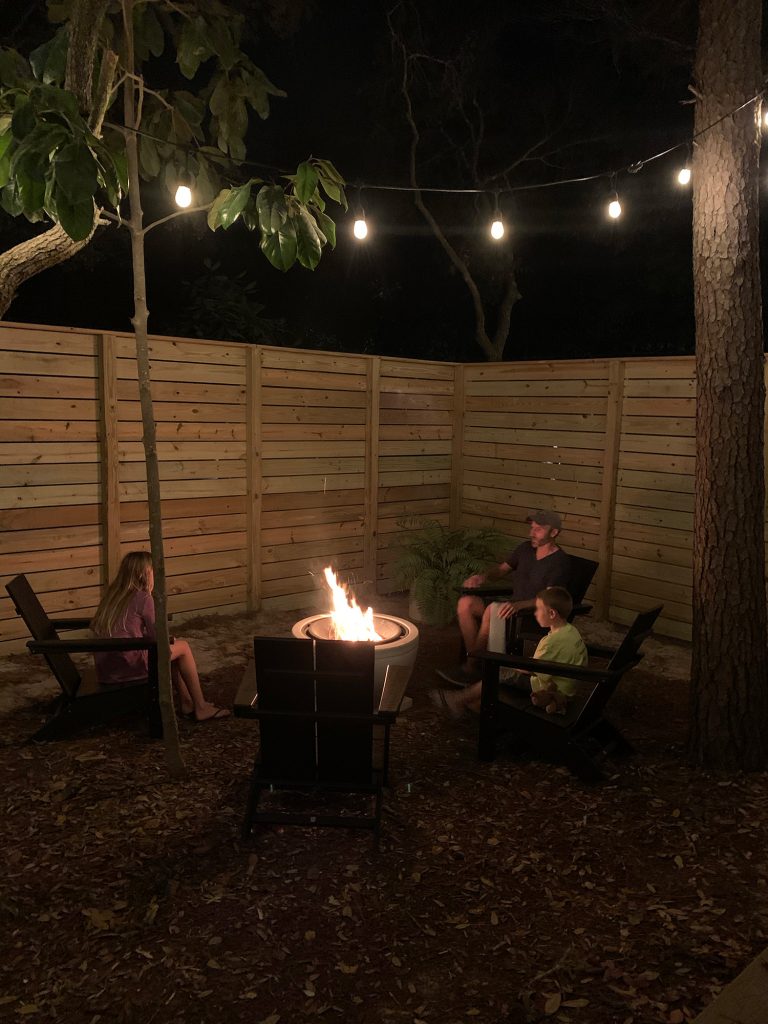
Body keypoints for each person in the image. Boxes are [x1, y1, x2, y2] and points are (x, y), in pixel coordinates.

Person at [90, 551, 230, 722]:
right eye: (153, 570)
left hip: (108, 668)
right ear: (143, 573)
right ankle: (201, 707)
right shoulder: (142, 598)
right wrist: (168, 639)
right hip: (130, 666)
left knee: (174, 649)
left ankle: (186, 702)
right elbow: (158, 638)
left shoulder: (112, 596)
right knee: (183, 647)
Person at [438, 510, 571, 686]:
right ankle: (479, 662)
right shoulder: (525, 549)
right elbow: (501, 570)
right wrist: (482, 576)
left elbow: (550, 598)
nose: (531, 533)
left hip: (532, 614)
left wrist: (520, 605)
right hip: (510, 607)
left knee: (493, 610)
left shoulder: (559, 562)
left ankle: (471, 668)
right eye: (531, 528)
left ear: (554, 533)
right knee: (466, 603)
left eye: (538, 530)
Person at [431, 586, 588, 717]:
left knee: (499, 672)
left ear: (552, 613)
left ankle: (457, 700)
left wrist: (512, 665)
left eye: (539, 609)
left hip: (549, 688)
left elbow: (531, 669)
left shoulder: (552, 641)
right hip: (567, 686)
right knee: (504, 674)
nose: (535, 613)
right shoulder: (571, 631)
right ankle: (474, 702)